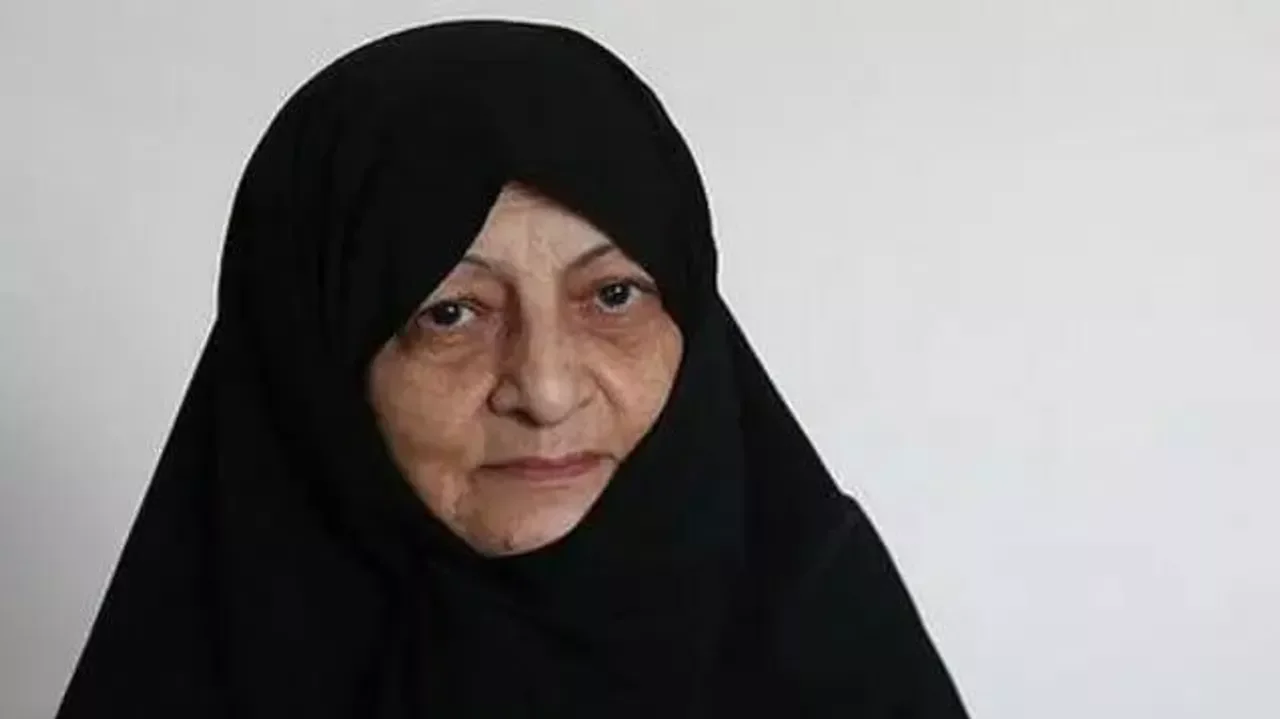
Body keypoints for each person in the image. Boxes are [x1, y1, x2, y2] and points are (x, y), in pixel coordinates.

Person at [57, 19, 969, 718]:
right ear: (310, 369)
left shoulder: (832, 657)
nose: (547, 389)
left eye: (613, 295)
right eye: (450, 313)